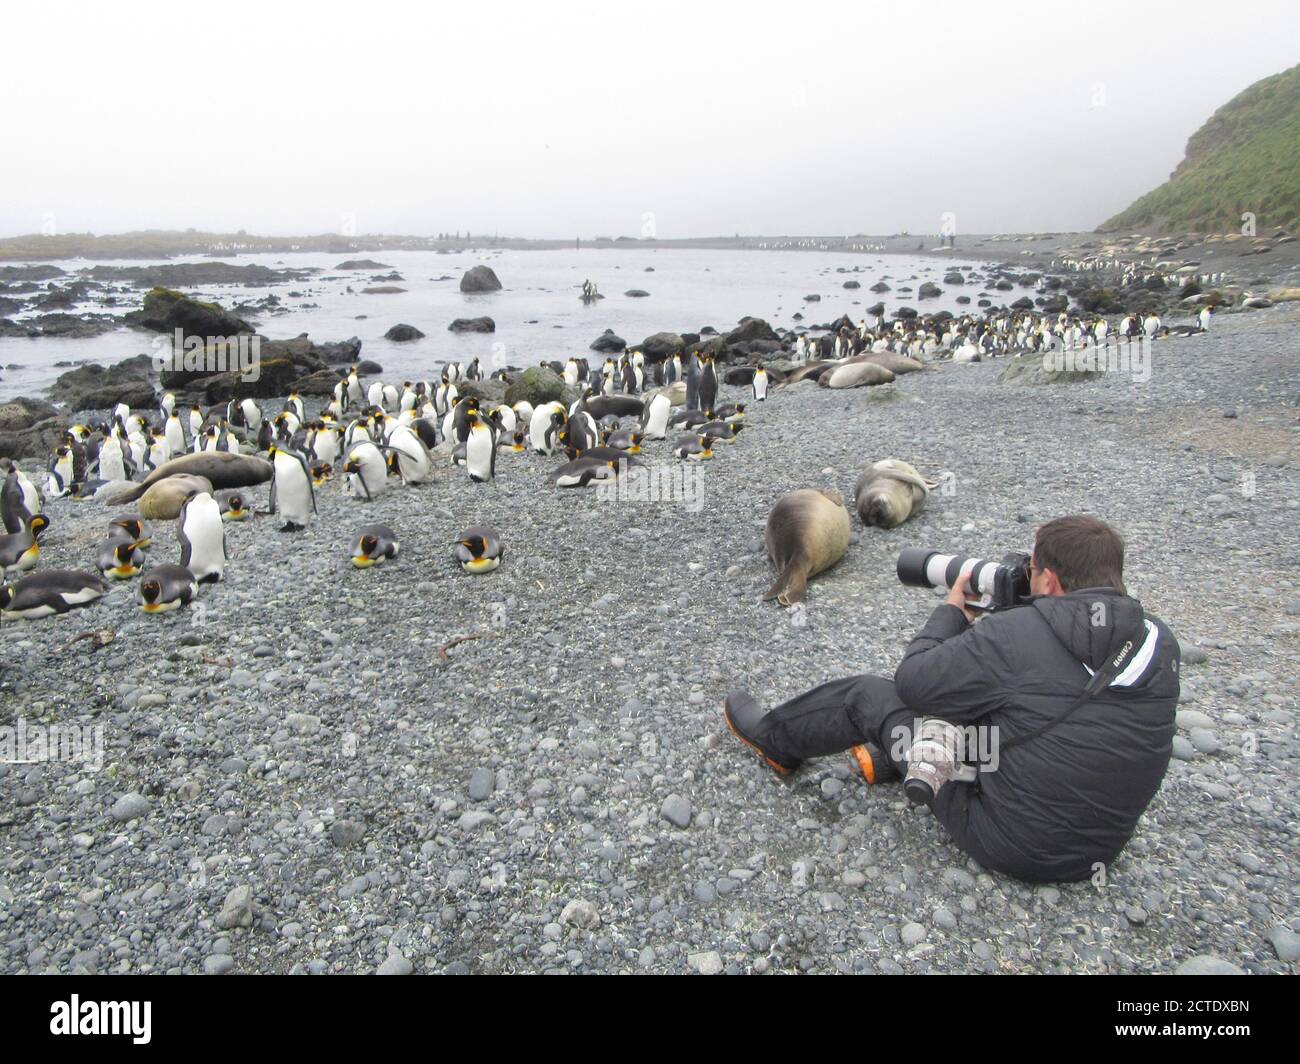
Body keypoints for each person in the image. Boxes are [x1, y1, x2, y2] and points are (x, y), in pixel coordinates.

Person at [723, 516, 1179, 883]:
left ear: (1053, 582)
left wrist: (951, 613)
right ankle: (890, 759)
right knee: (1013, 701)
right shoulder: (1158, 639)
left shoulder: (1017, 635)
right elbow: (1049, 695)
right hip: (1103, 847)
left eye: (1033, 569)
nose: (1025, 573)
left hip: (1013, 843)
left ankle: (773, 742)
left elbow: (914, 684)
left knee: (866, 694)